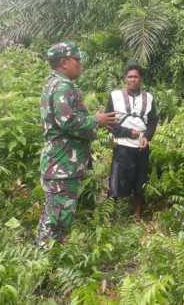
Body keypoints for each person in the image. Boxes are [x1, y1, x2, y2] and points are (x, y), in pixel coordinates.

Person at [36, 41, 117, 248]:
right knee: (56, 220)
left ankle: (49, 263)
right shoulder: (62, 87)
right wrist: (96, 120)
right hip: (62, 165)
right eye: (77, 60)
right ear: (64, 62)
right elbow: (68, 122)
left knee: (56, 215)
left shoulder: (53, 84)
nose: (80, 64)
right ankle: (45, 264)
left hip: (62, 164)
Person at [106, 62, 158, 220]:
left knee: (140, 180)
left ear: (140, 79)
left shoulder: (148, 97)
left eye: (136, 77)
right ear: (125, 79)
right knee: (117, 180)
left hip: (141, 147)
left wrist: (147, 138)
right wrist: (128, 132)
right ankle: (114, 215)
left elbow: (153, 121)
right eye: (130, 77)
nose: (133, 80)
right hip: (122, 145)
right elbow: (108, 122)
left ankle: (137, 215)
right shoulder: (115, 96)